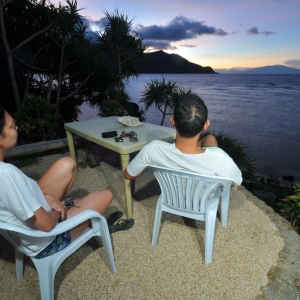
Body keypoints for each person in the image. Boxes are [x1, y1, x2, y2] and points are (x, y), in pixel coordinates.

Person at [0, 105, 113, 258]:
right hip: (44, 240)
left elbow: (19, 194)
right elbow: (46, 225)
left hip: (35, 216)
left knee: (67, 164)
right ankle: (76, 211)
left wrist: (45, 197)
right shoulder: (5, 174)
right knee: (106, 195)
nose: (17, 127)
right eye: (12, 126)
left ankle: (74, 206)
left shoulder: (4, 171)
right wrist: (61, 206)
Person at [124, 94, 242, 185]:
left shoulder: (152, 149)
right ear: (205, 125)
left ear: (173, 121)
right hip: (203, 202)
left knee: (209, 139)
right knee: (211, 140)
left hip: (172, 199)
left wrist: (144, 169)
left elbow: (128, 175)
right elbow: (237, 181)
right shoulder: (220, 158)